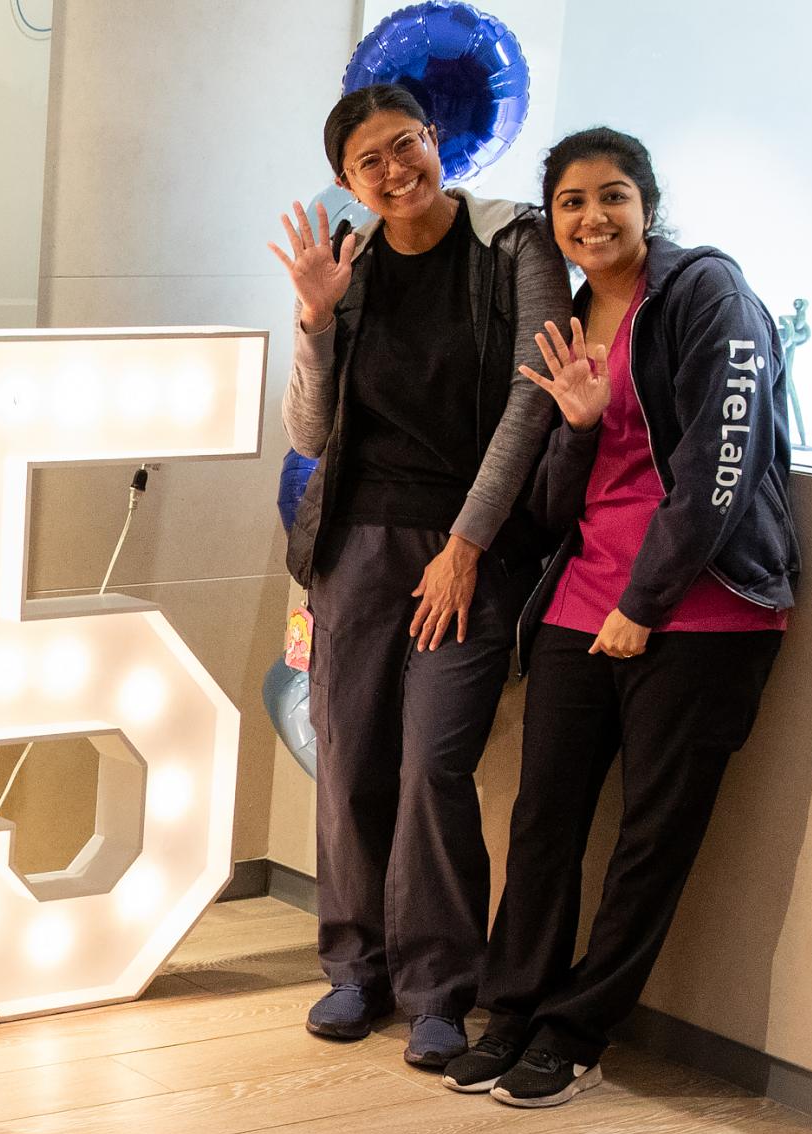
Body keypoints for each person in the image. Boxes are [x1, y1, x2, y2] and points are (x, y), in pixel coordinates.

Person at [445, 129, 799, 1107]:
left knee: (651, 838)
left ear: (647, 204)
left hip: (702, 611)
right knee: (543, 820)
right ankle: (513, 1009)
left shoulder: (707, 294)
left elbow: (720, 467)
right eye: (570, 201)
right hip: (580, 601)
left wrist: (644, 603)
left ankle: (575, 1031)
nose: (591, 217)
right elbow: (558, 503)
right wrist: (578, 424)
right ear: (551, 219)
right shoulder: (568, 320)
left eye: (611, 196)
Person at [268, 84, 570, 1068]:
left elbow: (531, 401)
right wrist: (313, 320)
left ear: (436, 140)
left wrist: (465, 545)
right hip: (355, 545)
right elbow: (308, 431)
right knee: (349, 757)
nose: (395, 172)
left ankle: (439, 986)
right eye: (370, 162)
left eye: (406, 146)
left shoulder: (512, 245)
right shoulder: (347, 261)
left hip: (471, 551)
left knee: (434, 763)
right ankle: (356, 968)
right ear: (348, 179)